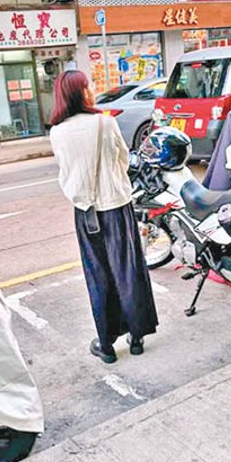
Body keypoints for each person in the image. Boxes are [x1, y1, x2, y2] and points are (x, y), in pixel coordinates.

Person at [49, 70, 158, 364]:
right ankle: (136, 337)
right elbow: (123, 160)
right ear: (82, 92)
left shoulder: (57, 131)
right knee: (128, 270)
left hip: (86, 213)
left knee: (98, 276)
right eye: (89, 86)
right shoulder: (105, 123)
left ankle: (107, 345)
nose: (92, 90)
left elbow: (65, 172)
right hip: (117, 207)